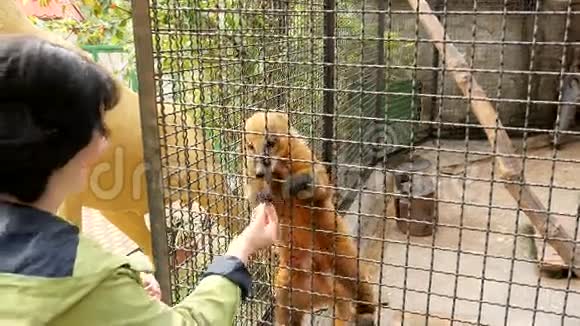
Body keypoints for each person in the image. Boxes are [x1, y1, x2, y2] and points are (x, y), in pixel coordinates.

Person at [0, 34, 279, 325]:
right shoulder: (90, 278)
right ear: (62, 142)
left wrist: (128, 293)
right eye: (99, 126)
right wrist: (242, 248)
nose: (105, 143)